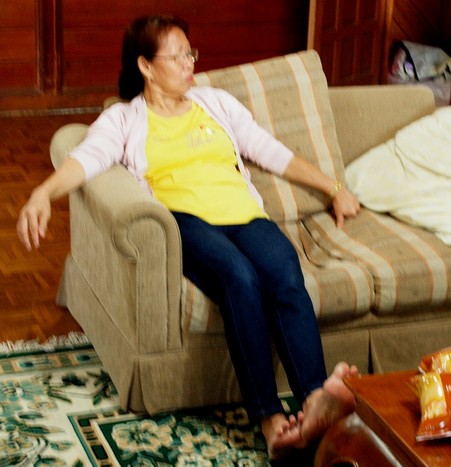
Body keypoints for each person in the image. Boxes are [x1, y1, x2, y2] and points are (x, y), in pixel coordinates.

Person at [16, 14, 361, 460]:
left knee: (285, 272)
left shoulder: (215, 103)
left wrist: (334, 188)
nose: (189, 63)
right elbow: (87, 158)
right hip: (185, 220)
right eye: (177, 56)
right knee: (239, 277)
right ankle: (270, 420)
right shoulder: (124, 118)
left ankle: (316, 400)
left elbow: (270, 151)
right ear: (145, 65)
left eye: (190, 53)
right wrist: (43, 192)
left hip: (244, 215)